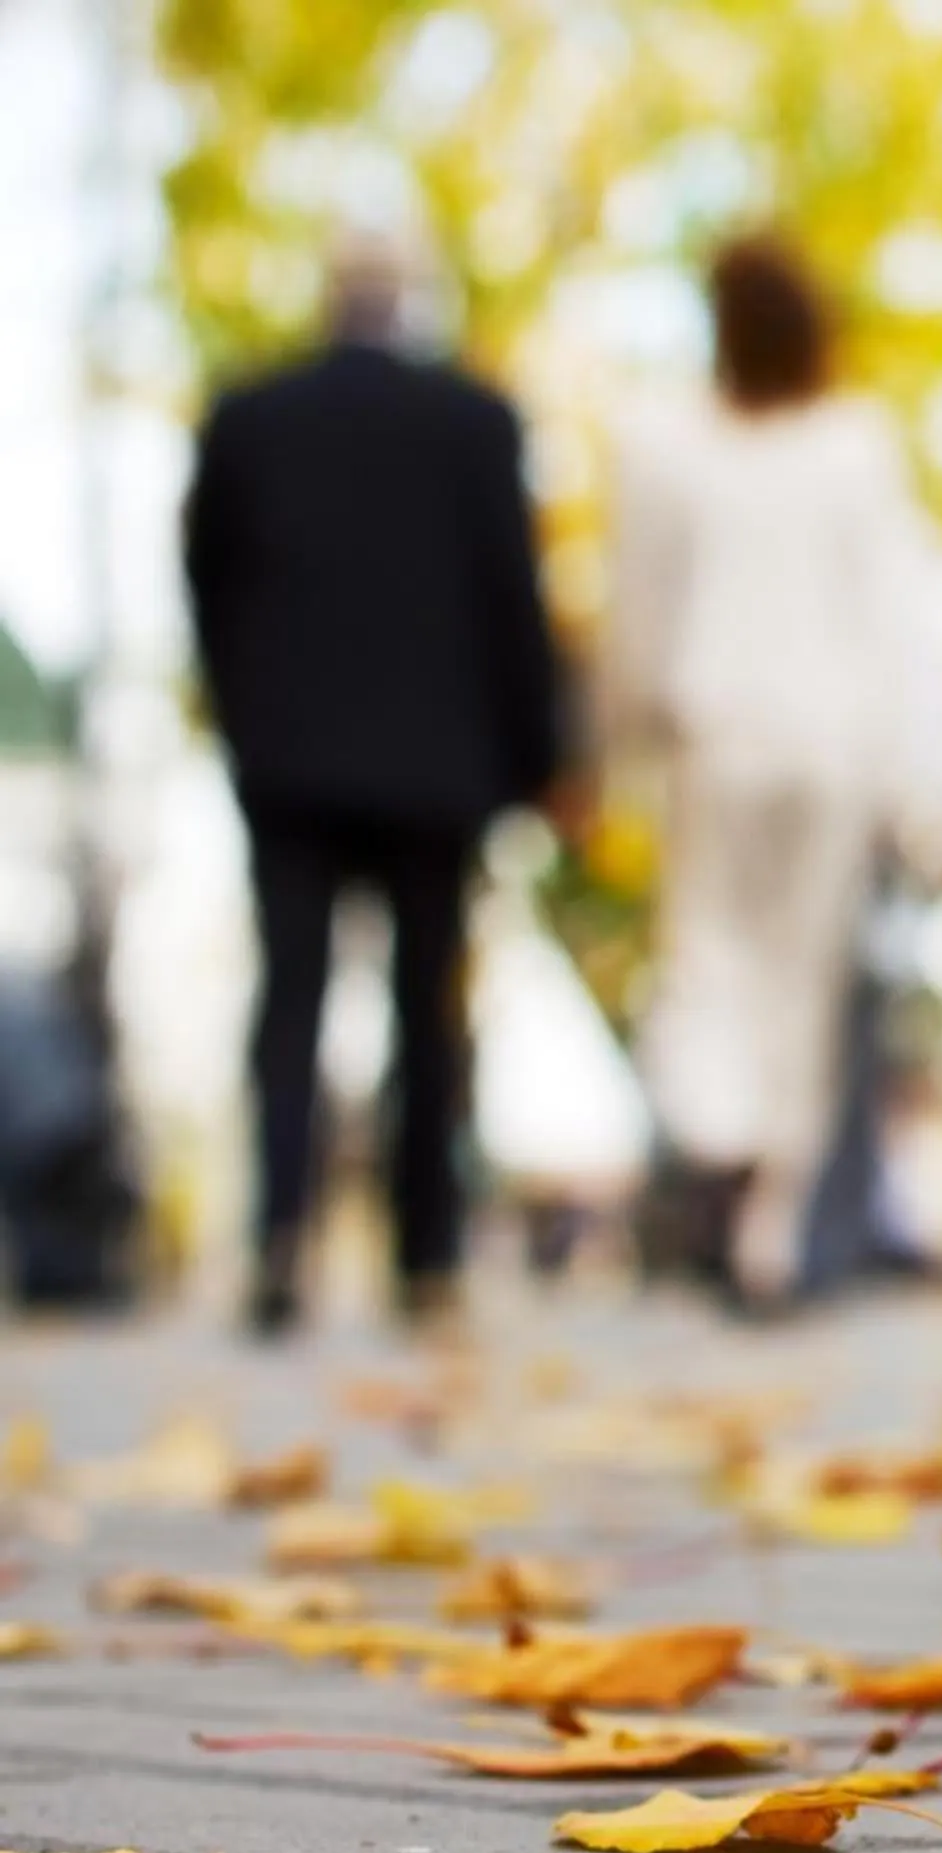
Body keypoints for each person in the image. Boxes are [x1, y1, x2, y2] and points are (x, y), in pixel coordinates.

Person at [183, 234, 566, 1340]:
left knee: (289, 1001)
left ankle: (279, 1237)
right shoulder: (474, 423)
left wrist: (240, 710)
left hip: (291, 755)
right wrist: (536, 755)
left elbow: (204, 578)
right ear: (409, 307)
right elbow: (515, 596)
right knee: (426, 1010)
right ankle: (427, 1253)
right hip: (435, 766)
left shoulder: (250, 415)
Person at [604, 233, 942, 1317]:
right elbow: (904, 627)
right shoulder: (855, 446)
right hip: (831, 746)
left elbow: (641, 607)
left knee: (711, 959)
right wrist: (936, 790)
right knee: (801, 983)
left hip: (718, 733)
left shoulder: (664, 445)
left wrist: (617, 739)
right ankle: (770, 1221)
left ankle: (722, 1146)